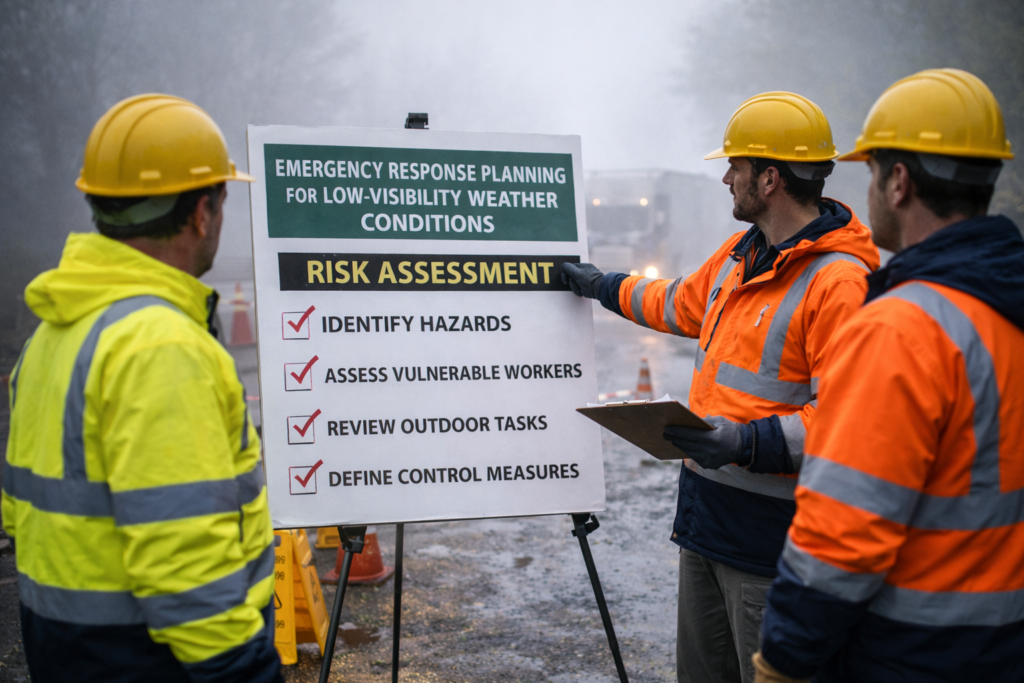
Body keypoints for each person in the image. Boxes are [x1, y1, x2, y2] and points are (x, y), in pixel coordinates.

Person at [562, 92, 879, 683]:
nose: (726, 179)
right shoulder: (741, 255)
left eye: (735, 166)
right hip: (706, 523)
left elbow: (851, 424)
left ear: (770, 179)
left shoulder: (840, 284)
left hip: (773, 545)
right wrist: (600, 285)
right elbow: (675, 302)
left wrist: (742, 442)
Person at [753, 69, 1024, 683]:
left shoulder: (902, 327)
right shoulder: (1003, 304)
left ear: (898, 181)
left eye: (872, 171)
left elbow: (844, 532)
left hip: (913, 653)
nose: (869, 189)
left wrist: (784, 660)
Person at [2, 94, 282, 682]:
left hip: (65, 648)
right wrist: (246, 671)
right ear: (202, 212)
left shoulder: (55, 332)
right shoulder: (161, 347)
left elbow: (21, 514)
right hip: (156, 662)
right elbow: (187, 569)